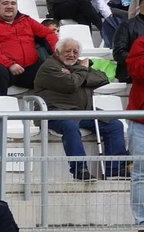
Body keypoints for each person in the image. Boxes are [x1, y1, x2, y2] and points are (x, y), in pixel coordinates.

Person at [35, 38, 130, 180]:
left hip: (83, 111)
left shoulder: (77, 66)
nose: (72, 55)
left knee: (115, 124)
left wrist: (79, 76)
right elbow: (71, 85)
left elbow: (102, 77)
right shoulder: (49, 67)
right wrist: (83, 71)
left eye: (75, 52)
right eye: (67, 51)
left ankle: (115, 170)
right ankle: (80, 170)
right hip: (55, 112)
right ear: (57, 52)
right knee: (70, 125)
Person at [0, 0, 57, 96]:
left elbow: (48, 34)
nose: (9, 6)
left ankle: (51, 109)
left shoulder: (26, 20)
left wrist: (58, 55)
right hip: (4, 70)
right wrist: (10, 64)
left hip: (28, 69)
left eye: (13, 3)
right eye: (5, 3)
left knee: (52, 70)